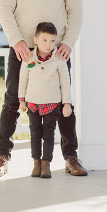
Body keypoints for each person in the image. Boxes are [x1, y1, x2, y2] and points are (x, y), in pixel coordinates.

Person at [0, 0, 88, 177]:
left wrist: (68, 42)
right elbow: (5, 9)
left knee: (65, 103)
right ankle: (2, 157)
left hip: (57, 53)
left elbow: (76, 10)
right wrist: (16, 40)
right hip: (23, 51)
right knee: (12, 100)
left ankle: (71, 157)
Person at [19, 22, 72, 178]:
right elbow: (23, 79)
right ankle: (36, 163)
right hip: (33, 103)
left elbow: (65, 81)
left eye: (52, 41)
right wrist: (22, 100)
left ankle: (46, 164)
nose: (49, 45)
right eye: (44, 40)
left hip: (52, 103)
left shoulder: (58, 58)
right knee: (35, 133)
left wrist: (66, 103)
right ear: (36, 40)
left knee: (49, 134)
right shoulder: (29, 57)